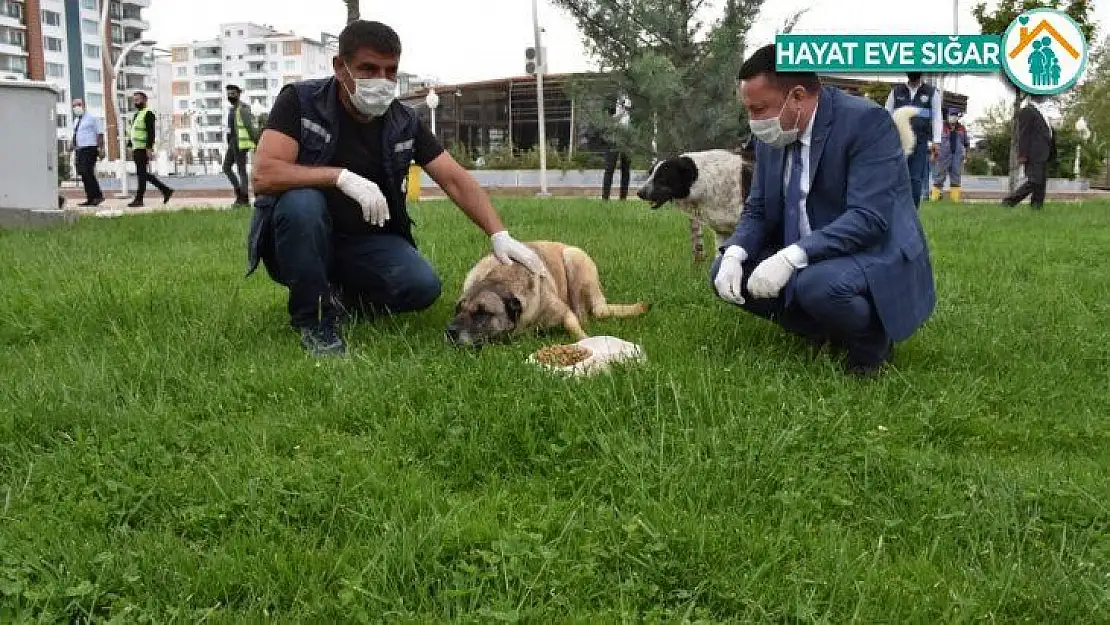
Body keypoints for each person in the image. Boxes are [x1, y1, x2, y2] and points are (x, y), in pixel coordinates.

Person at [246, 20, 547, 356]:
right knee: (303, 204)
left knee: (422, 286)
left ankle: (340, 298)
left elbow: (453, 178)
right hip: (300, 239)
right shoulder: (300, 103)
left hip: (362, 242)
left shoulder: (403, 121)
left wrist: (498, 234)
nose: (382, 81)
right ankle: (314, 320)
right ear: (339, 67)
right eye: (368, 69)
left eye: (390, 71)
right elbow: (265, 175)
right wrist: (339, 177)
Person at [712, 44, 936, 376]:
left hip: (873, 248)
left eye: (759, 109)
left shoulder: (867, 122)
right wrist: (734, 253)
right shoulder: (772, 134)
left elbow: (868, 219)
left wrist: (790, 257)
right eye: (748, 110)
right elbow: (758, 209)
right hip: (809, 245)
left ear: (798, 97)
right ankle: (823, 332)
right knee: (725, 271)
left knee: (818, 286)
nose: (754, 121)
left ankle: (871, 343)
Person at [885, 72, 942, 209]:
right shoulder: (896, 92)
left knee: (916, 179)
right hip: (898, 142)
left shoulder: (931, 93)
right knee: (896, 177)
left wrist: (936, 141)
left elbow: (936, 117)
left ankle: (913, 211)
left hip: (920, 142)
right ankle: (895, 209)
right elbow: (886, 114)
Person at [1002, 95, 1057, 210]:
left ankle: (1036, 207)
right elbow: (1024, 134)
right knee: (1034, 180)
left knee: (1041, 182)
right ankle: (1009, 202)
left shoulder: (1042, 112)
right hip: (1034, 152)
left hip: (1044, 152)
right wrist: (1022, 154)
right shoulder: (1027, 111)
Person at [126, 91, 174, 207]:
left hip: (143, 149)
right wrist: (130, 146)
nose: (135, 102)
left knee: (141, 174)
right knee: (142, 174)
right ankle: (165, 190)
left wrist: (149, 148)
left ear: (144, 100)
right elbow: (133, 132)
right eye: (134, 100)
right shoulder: (137, 114)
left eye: (138, 100)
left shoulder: (148, 113)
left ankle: (139, 199)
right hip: (137, 148)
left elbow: (151, 132)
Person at [223, 85, 259, 206]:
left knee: (241, 171)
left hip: (240, 144)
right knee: (226, 167)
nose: (230, 96)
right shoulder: (232, 109)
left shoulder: (243, 109)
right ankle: (239, 194)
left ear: (238, 94)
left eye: (233, 94)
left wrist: (257, 142)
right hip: (232, 143)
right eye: (228, 94)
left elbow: (250, 127)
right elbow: (230, 129)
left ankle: (244, 199)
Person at [930, 107, 971, 203]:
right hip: (942, 156)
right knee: (939, 177)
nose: (953, 117)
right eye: (951, 115)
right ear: (947, 116)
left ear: (958, 117)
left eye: (955, 115)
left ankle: (955, 200)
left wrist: (967, 155)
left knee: (956, 177)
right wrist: (933, 153)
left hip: (957, 157)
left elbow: (966, 143)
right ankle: (934, 199)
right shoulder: (941, 127)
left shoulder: (962, 128)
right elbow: (935, 141)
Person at [70, 98, 105, 207]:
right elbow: (76, 134)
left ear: (84, 105)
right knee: (83, 174)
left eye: (79, 104)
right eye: (74, 105)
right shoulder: (76, 121)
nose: (76, 107)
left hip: (90, 148)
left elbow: (100, 134)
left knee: (87, 171)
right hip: (79, 149)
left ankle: (98, 195)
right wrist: (71, 144)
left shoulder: (92, 118)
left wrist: (101, 148)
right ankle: (90, 198)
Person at [601, 94, 632, 201]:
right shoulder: (610, 98)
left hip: (627, 139)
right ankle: (605, 198)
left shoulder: (635, 98)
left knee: (626, 169)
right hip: (613, 139)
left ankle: (623, 198)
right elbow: (608, 119)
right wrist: (624, 111)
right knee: (609, 169)